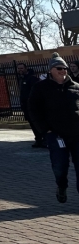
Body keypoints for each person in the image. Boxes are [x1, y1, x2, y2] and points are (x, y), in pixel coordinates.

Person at [28, 53, 79, 203]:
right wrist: (45, 130)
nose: (63, 71)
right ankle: (61, 186)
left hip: (77, 135)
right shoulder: (40, 88)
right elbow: (33, 110)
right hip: (56, 135)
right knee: (60, 166)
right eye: (59, 68)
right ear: (51, 70)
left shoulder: (76, 87)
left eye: (65, 68)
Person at [17, 63, 43, 148]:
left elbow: (36, 92)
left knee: (37, 123)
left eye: (22, 68)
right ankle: (38, 140)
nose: (20, 70)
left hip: (32, 106)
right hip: (26, 106)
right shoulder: (22, 79)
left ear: (26, 68)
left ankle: (43, 139)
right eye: (19, 68)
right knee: (32, 123)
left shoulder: (32, 78)